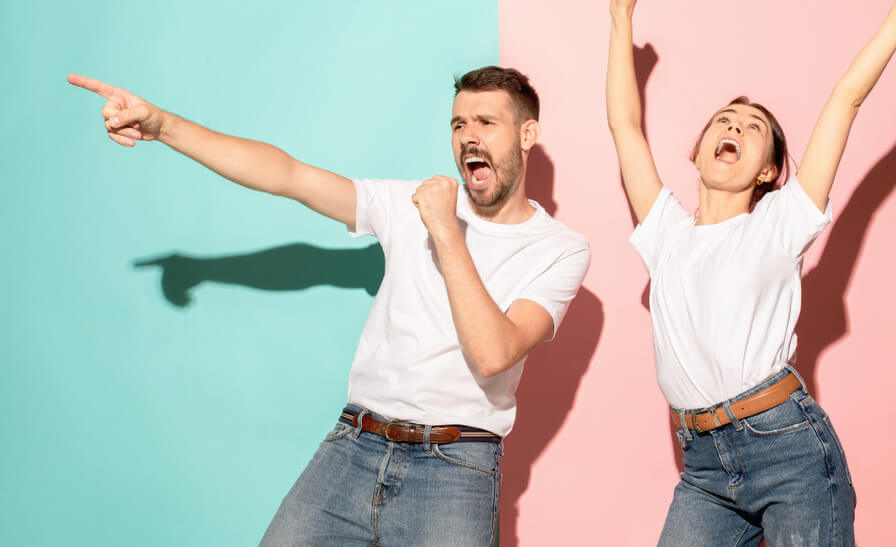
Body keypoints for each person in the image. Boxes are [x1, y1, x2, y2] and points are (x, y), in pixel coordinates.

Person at [68, 66, 590, 546]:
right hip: (354, 446)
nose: (467, 136)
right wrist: (164, 126)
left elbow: (492, 352)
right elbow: (289, 175)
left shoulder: (558, 249)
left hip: (454, 468)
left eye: (486, 122)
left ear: (526, 135)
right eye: (458, 123)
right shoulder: (408, 203)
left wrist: (445, 231)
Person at [605, 0, 896, 545]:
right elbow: (625, 126)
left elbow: (845, 99)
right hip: (705, 467)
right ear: (699, 149)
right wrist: (620, 21)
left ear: (768, 172)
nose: (734, 127)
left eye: (753, 127)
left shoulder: (780, 222)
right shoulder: (665, 233)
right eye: (724, 120)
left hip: (787, 448)